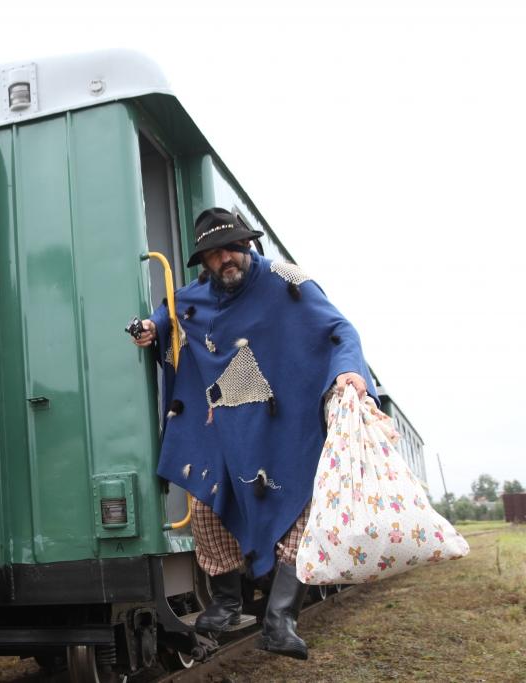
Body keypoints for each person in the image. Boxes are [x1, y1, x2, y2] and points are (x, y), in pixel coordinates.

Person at [130, 207, 374, 659]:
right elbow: (170, 313)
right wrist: (150, 327)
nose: (226, 259)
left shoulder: (288, 279)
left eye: (233, 248)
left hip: (288, 425)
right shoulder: (197, 296)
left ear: (247, 245)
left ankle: (280, 621)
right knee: (203, 505)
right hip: (228, 427)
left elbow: (342, 330)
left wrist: (349, 374)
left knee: (301, 519)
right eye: (215, 253)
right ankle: (225, 602)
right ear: (203, 261)